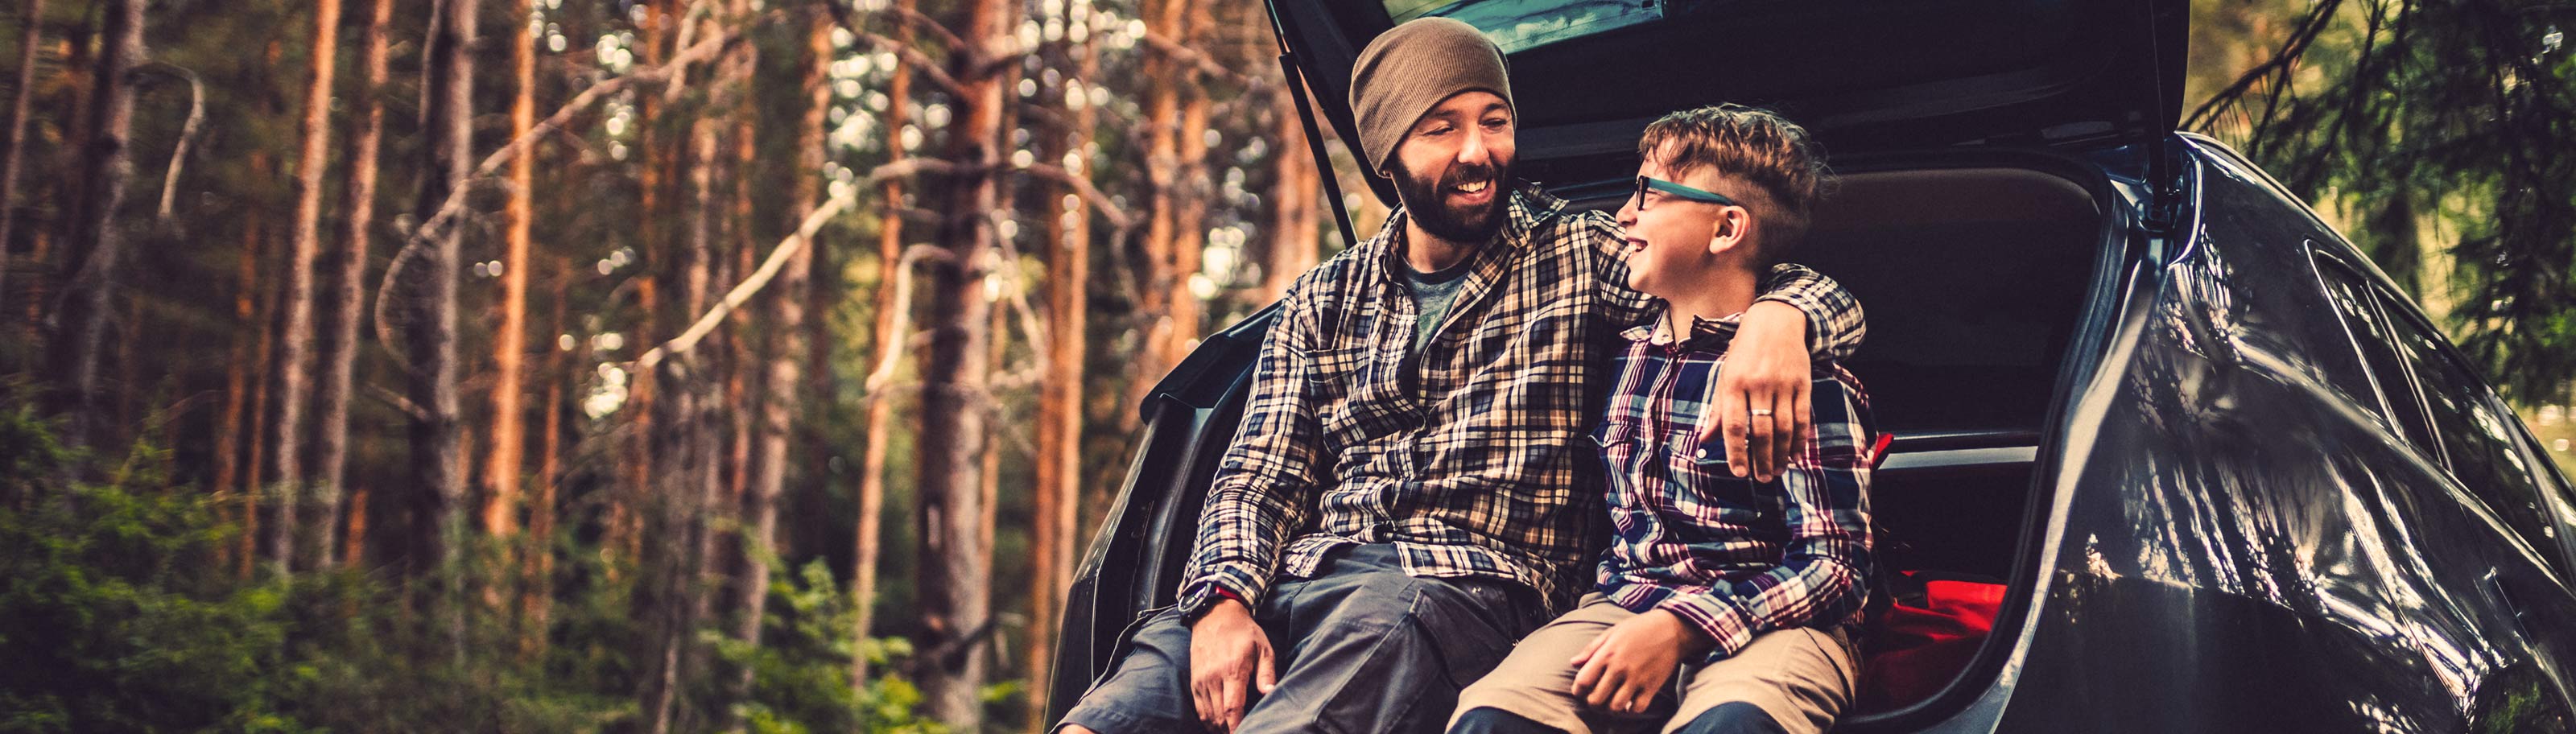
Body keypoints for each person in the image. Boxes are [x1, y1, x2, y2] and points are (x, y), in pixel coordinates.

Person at [1055, 22, 1864, 734]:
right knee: (1116, 708)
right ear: (1387, 155)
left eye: (1494, 121)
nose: (1477, 151)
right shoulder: (1320, 298)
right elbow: (1257, 477)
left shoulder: (1576, 254)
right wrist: (1224, 604)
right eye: (1440, 127)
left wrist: (1778, 321)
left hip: (1459, 590)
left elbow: (1728, 269)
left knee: (1361, 649)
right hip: (1305, 579)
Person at [1444, 104, 1876, 734]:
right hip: (1623, 603)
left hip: (1776, 617)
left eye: (1649, 193)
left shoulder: (1797, 378)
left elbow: (1836, 567)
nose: (1623, 213)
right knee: (1490, 717)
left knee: (1733, 723)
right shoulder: (1619, 355)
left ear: (1726, 229)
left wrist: (1683, 629)